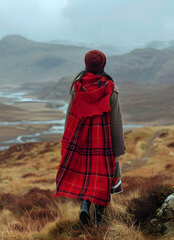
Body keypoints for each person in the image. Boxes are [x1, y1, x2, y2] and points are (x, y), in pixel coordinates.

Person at [53, 50, 125, 227]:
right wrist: (118, 151)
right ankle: (98, 221)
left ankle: (84, 208)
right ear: (103, 65)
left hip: (82, 141)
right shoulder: (110, 88)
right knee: (102, 179)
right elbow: (116, 121)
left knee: (85, 178)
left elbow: (71, 115)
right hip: (103, 143)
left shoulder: (78, 87)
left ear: (87, 65)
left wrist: (68, 141)